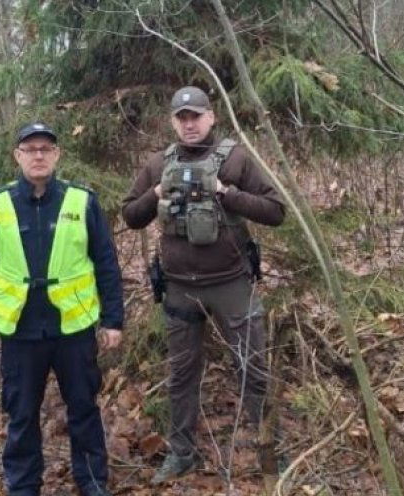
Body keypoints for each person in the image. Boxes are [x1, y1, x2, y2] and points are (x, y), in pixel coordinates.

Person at [121, 86, 285, 483]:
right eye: (182, 117)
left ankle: (268, 449)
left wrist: (227, 193)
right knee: (181, 375)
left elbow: (276, 210)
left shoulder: (237, 158)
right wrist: (157, 192)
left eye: (196, 115)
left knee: (253, 368)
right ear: (173, 122)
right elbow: (130, 215)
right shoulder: (159, 163)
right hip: (179, 289)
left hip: (231, 284)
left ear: (211, 117)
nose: (189, 123)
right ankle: (182, 454)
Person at [0, 122, 123, 496]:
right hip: (21, 332)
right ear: (18, 156)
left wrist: (113, 320)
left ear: (56, 155)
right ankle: (23, 486)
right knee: (22, 415)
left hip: (74, 329)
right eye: (30, 149)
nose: (38, 155)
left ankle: (91, 481)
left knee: (84, 410)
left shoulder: (81, 201)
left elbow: (105, 261)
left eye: (45, 149)